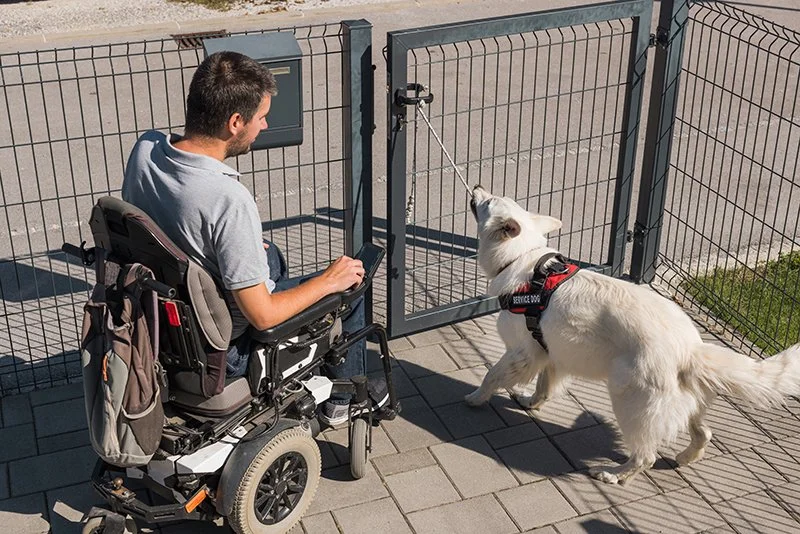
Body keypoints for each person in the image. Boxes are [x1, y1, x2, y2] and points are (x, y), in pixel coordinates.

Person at [121, 51, 377, 426]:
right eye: (260, 117)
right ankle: (343, 399)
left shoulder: (146, 149)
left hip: (163, 309)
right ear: (235, 122)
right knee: (352, 284)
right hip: (221, 347)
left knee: (269, 254)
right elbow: (262, 314)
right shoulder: (228, 199)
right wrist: (329, 281)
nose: (265, 124)